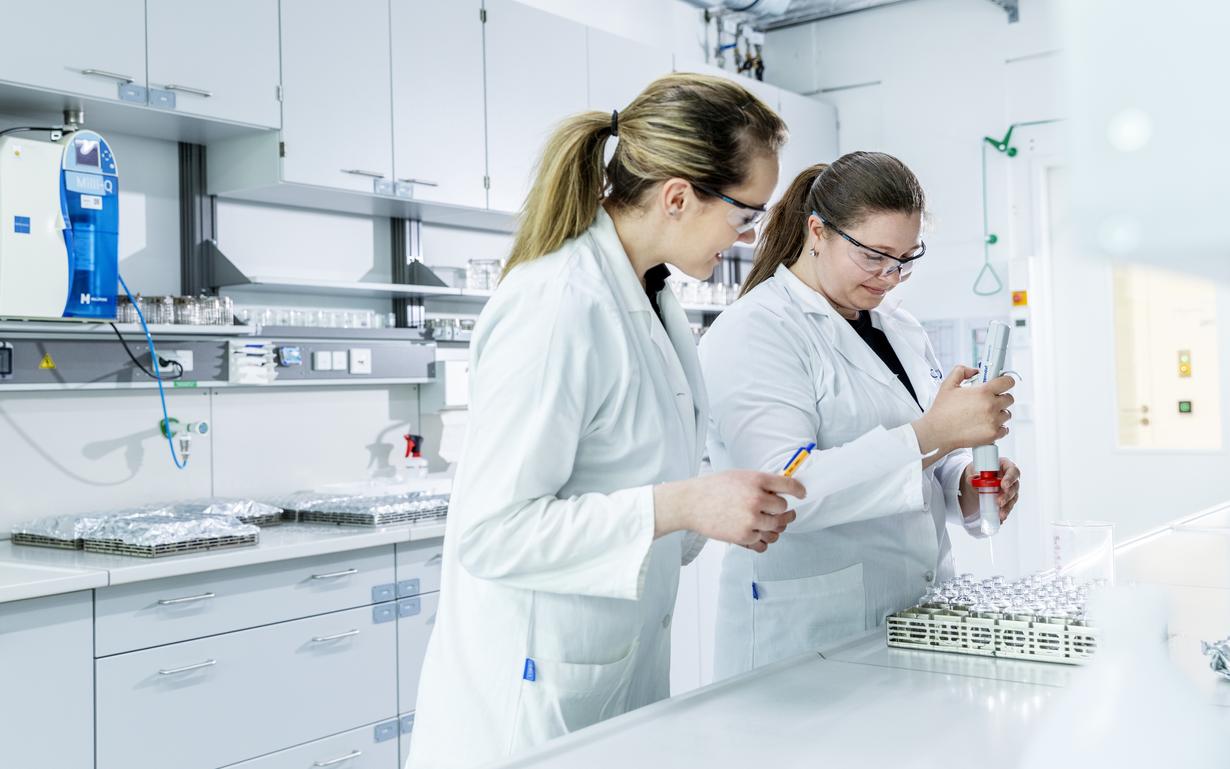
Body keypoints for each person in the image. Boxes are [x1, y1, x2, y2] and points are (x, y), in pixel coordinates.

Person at [407, 73, 806, 769]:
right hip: (529, 702)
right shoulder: (559, 302)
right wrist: (683, 503)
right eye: (745, 215)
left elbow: (637, 467)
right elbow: (492, 531)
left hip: (608, 676)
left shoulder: (651, 296)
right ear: (678, 196)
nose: (746, 239)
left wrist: (712, 500)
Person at [698, 153, 1021, 678]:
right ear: (818, 232)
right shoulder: (756, 330)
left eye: (905, 259)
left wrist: (963, 481)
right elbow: (779, 490)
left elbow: (920, 456)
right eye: (875, 256)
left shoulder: (897, 325)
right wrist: (932, 433)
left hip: (917, 612)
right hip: (808, 635)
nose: (891, 277)